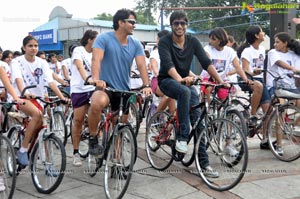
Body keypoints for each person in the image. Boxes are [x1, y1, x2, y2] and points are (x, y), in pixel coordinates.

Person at [158, 10, 227, 177]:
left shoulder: (192, 41)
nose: (180, 26)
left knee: (200, 123)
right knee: (184, 92)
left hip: (184, 81)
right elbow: (168, 65)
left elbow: (205, 62)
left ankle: (204, 165)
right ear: (172, 25)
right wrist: (180, 79)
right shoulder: (165, 42)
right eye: (176, 23)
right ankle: (182, 136)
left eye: (183, 23)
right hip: (167, 80)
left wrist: (219, 80)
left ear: (186, 25)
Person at [88, 8, 151, 156]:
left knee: (120, 126)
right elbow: (96, 59)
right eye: (132, 22)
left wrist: (146, 85)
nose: (134, 25)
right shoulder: (103, 39)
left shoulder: (135, 44)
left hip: (124, 89)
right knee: (97, 103)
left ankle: (117, 159)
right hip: (105, 86)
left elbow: (142, 65)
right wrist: (96, 79)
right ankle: (92, 137)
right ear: (120, 23)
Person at [10, 35, 68, 167]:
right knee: (37, 115)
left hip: (39, 99)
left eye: (36, 46)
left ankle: (48, 164)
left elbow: (51, 82)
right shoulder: (17, 62)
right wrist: (25, 92)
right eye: (30, 46)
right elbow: (18, 79)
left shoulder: (42, 63)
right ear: (24, 48)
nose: (33, 48)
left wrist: (62, 97)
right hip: (22, 98)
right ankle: (23, 150)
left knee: (44, 128)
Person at [201, 27, 260, 156]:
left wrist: (246, 80)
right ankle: (206, 113)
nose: (210, 41)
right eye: (210, 39)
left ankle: (228, 142)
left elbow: (238, 67)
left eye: (213, 39)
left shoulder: (229, 51)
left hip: (223, 81)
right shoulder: (207, 49)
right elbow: (206, 61)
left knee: (227, 109)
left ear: (220, 39)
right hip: (209, 79)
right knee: (207, 90)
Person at [237, 25, 271, 149]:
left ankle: (265, 139)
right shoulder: (247, 51)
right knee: (258, 85)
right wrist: (253, 73)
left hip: (259, 80)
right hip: (246, 79)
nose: (263, 33)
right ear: (257, 35)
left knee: (268, 109)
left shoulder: (262, 49)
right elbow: (245, 70)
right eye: (261, 31)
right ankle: (252, 115)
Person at [267, 32, 300, 155]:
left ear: (285, 43)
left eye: (277, 42)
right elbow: (279, 63)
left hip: (291, 87)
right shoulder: (273, 53)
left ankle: (290, 125)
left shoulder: (294, 55)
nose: (274, 44)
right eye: (275, 42)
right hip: (276, 87)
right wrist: (292, 69)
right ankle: (279, 145)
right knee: (280, 111)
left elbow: (297, 73)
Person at [70, 29, 98, 166]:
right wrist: (87, 78)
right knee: (78, 120)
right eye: (96, 39)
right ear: (89, 39)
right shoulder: (78, 50)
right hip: (79, 89)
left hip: (93, 89)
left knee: (97, 114)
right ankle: (76, 152)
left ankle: (94, 141)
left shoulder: (97, 52)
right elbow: (80, 67)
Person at [150, 29, 176, 115]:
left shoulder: (172, 53)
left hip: (170, 81)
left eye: (157, 38)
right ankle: (156, 117)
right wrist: (160, 74)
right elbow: (154, 67)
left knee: (174, 110)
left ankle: (169, 127)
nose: (156, 40)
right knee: (168, 95)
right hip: (157, 80)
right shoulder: (155, 53)